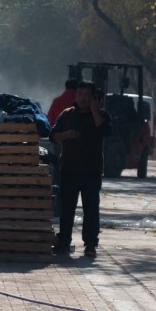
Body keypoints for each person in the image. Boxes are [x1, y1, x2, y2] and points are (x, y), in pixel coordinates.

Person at [51, 81, 108, 259]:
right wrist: (67, 135)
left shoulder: (101, 115)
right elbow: (53, 136)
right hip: (69, 170)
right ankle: (64, 243)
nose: (83, 98)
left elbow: (106, 131)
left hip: (92, 170)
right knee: (67, 209)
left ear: (93, 98)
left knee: (91, 210)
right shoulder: (67, 115)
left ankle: (90, 244)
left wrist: (95, 110)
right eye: (80, 94)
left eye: (87, 95)